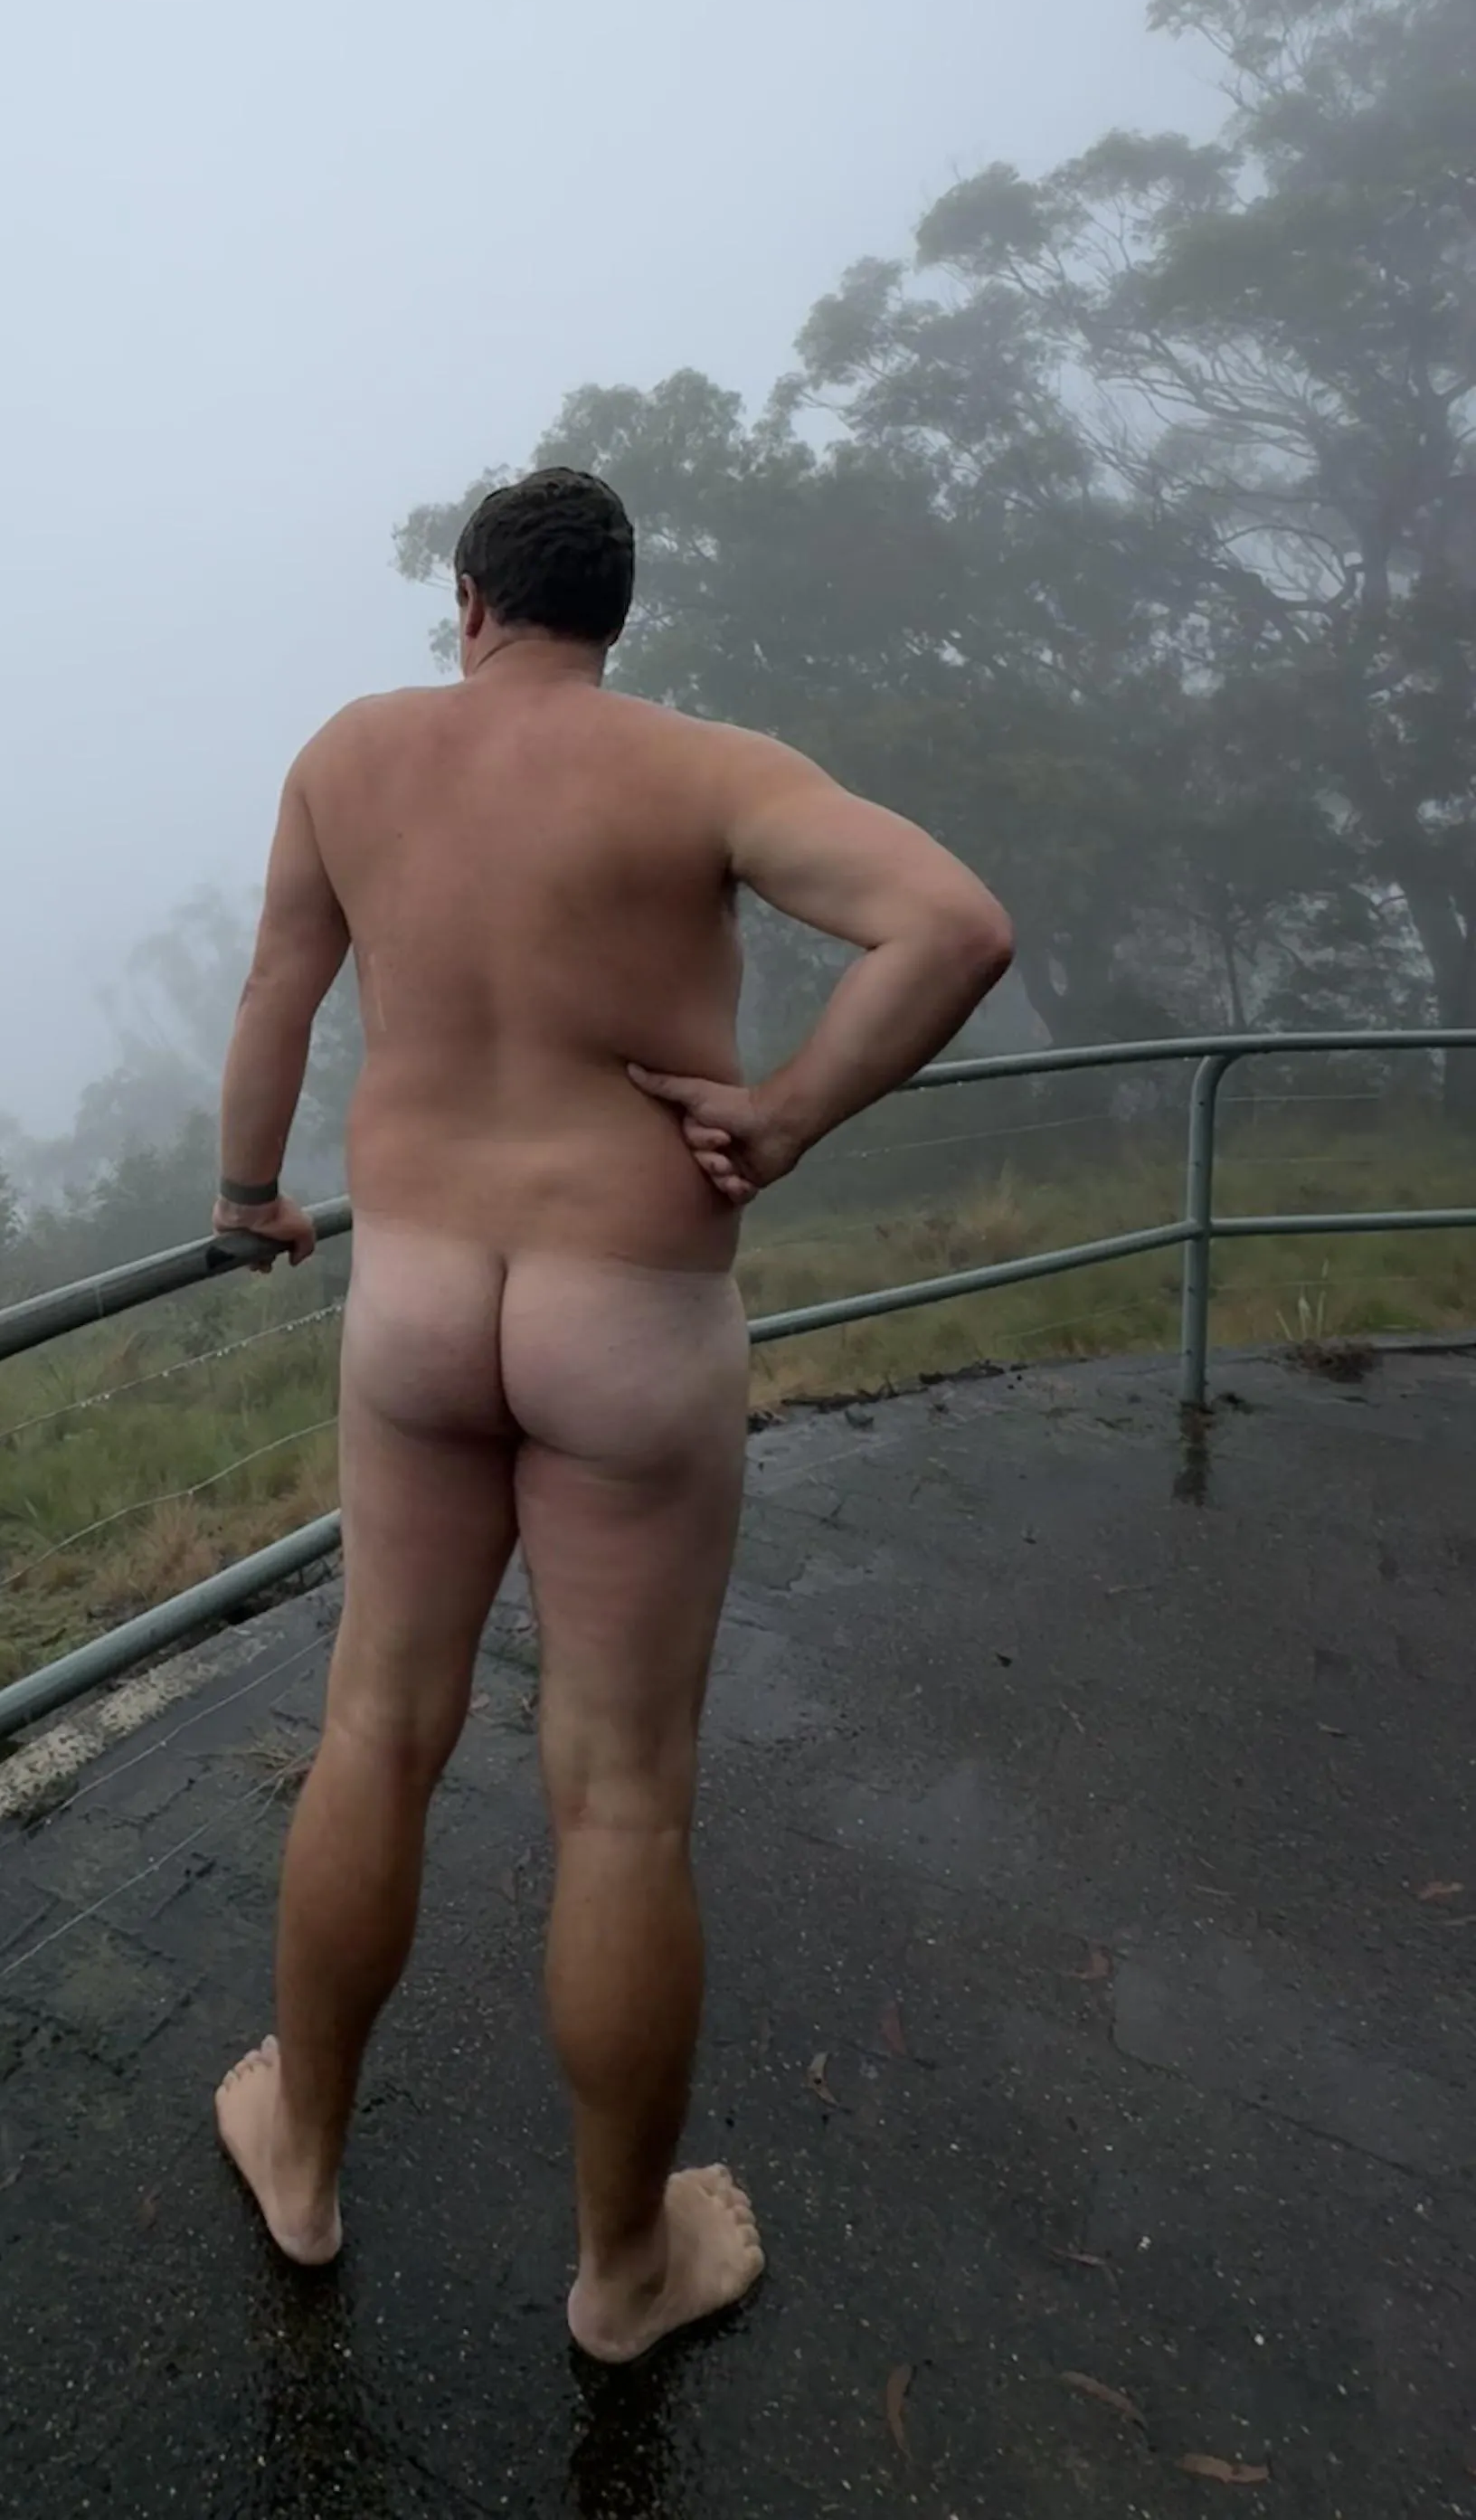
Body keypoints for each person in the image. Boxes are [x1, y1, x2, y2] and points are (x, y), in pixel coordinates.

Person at [207, 463, 1012, 2361]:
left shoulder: (351, 756)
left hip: (411, 1294)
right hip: (628, 1311)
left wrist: (252, 1197)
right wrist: (791, 1112)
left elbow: (280, 987)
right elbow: (954, 926)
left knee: (378, 1729)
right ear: (608, 614)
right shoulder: (701, 770)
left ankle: (303, 2162)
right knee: (624, 1801)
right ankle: (623, 2270)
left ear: (470, 598)